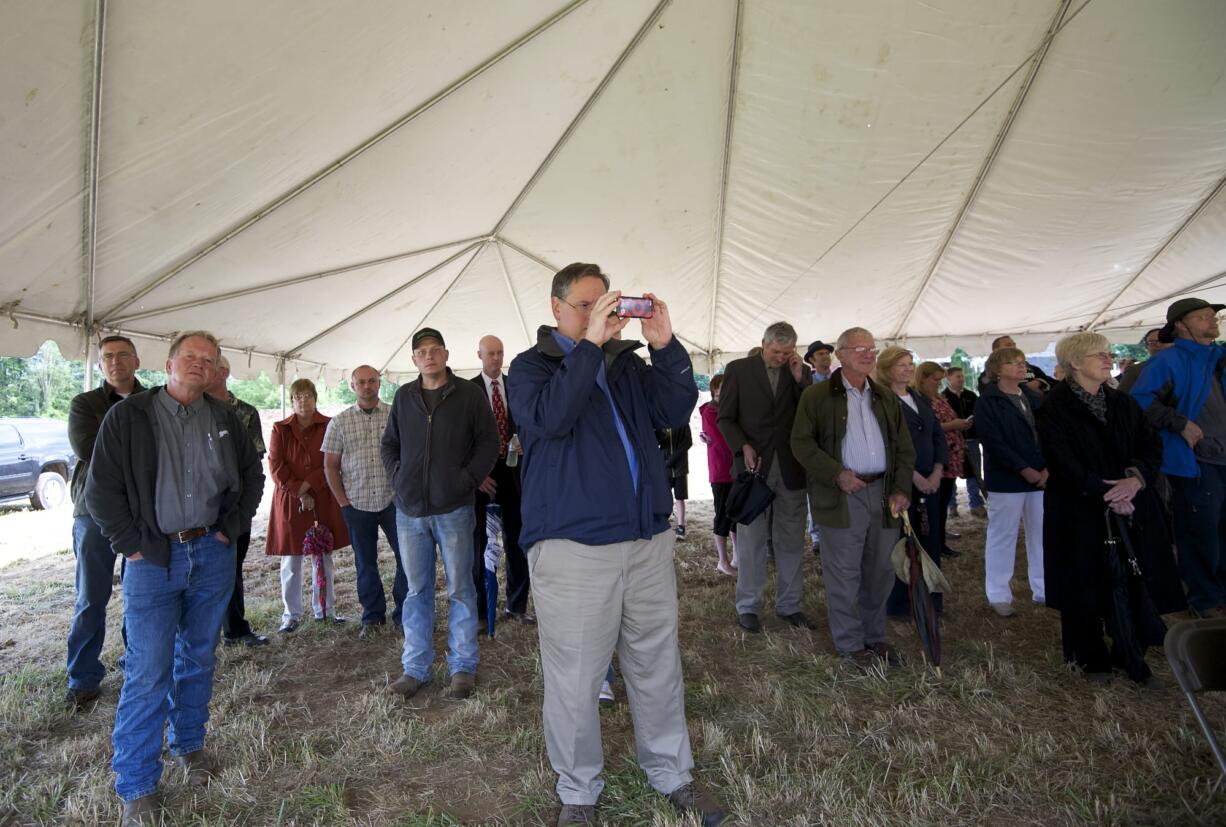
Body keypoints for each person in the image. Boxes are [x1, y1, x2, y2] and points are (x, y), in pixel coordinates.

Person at [508, 262, 725, 826]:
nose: (600, 313)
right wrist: (589, 349)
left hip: (646, 537)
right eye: (585, 305)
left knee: (656, 663)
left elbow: (674, 409)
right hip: (573, 546)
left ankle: (672, 774)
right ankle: (579, 791)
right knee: (577, 676)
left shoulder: (625, 364)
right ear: (556, 310)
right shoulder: (531, 367)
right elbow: (551, 419)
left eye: (607, 303)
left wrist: (666, 346)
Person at [84, 331, 264, 825]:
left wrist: (230, 529)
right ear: (168, 364)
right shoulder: (130, 416)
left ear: (216, 370)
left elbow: (253, 478)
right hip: (153, 560)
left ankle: (189, 745)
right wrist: (132, 544)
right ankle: (137, 785)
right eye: (191, 357)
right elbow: (102, 490)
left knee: (199, 657)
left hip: (211, 552)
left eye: (209, 360)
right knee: (148, 669)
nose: (199, 365)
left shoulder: (227, 417)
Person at [1037, 332, 1185, 687]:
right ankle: (1088, 657)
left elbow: (1150, 447)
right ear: (1075, 363)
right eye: (1099, 355)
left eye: (1108, 353)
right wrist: (1109, 491)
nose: (1108, 359)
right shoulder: (1053, 408)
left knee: (1132, 577)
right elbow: (1062, 462)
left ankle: (1130, 649)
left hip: (1131, 504)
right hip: (1079, 508)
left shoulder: (1123, 404)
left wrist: (1133, 481)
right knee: (1083, 580)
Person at [381, 327, 499, 700]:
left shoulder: (468, 395)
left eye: (435, 350)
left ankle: (463, 666)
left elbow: (489, 443)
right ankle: (415, 668)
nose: (428, 356)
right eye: (421, 352)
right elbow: (389, 445)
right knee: (416, 592)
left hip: (454, 509)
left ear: (446, 355)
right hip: (410, 510)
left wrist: (466, 481)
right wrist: (399, 479)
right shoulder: (403, 397)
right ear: (414, 359)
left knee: (461, 588)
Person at [790, 327, 914, 668]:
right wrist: (837, 474)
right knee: (843, 573)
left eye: (872, 349)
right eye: (859, 348)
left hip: (884, 494)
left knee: (880, 571)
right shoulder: (816, 397)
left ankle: (874, 637)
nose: (868, 354)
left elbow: (904, 448)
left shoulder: (885, 396)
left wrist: (902, 488)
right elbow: (801, 444)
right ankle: (849, 644)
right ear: (840, 355)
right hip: (842, 495)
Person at [1131, 298, 1226, 617]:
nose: (1212, 321)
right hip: (1196, 460)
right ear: (1181, 325)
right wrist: (1180, 423)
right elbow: (1140, 402)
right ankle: (1205, 599)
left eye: (1213, 316)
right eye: (1203, 317)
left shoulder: (1221, 356)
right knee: (1200, 532)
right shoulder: (1166, 362)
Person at [64, 336, 145, 709]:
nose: (115, 362)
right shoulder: (86, 404)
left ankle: (138, 663)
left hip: (142, 510)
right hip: (93, 513)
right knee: (91, 597)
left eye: (122, 355)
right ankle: (83, 678)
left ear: (137, 361)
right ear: (100, 366)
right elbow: (87, 448)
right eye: (108, 357)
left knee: (141, 594)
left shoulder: (154, 401)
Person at [717, 322, 814, 633]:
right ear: (763, 344)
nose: (780, 358)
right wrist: (741, 444)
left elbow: (811, 416)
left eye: (787, 353)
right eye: (775, 352)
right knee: (751, 543)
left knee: (790, 541)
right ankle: (748, 607)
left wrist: (800, 380)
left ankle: (790, 606)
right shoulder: (738, 370)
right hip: (753, 472)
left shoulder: (800, 373)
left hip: (790, 469)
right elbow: (726, 418)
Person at [322, 365, 408, 639]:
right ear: (352, 386)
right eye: (362, 382)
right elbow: (330, 466)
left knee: (406, 558)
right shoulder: (340, 421)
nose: (368, 386)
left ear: (379, 383)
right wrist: (343, 502)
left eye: (372, 381)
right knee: (365, 562)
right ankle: (372, 616)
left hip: (394, 500)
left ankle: (404, 613)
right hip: (357, 502)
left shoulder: (397, 415)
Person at [266, 378, 351, 631]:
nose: (303, 401)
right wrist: (300, 492)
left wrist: (309, 485)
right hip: (291, 503)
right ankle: (290, 615)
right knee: (291, 562)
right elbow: (276, 466)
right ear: (292, 401)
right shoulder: (280, 429)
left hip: (322, 499)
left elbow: (333, 462)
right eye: (298, 397)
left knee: (323, 558)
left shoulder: (329, 425)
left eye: (308, 396)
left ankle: (325, 610)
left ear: (315, 398)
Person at [468, 335, 534, 628]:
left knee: (518, 539)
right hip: (480, 477)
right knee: (479, 543)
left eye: (500, 352)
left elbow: (530, 422)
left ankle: (516, 605)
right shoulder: (467, 391)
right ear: (479, 355)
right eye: (490, 353)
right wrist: (476, 475)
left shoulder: (515, 386)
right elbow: (459, 439)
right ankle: (482, 611)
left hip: (513, 473)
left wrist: (524, 442)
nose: (495, 358)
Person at [877, 349, 948, 618]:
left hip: (931, 480)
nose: (908, 369)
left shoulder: (920, 398)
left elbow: (937, 435)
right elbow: (888, 444)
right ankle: (901, 604)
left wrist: (938, 470)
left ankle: (931, 600)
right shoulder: (882, 401)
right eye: (901, 365)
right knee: (902, 544)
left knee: (930, 540)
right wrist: (914, 476)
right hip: (902, 483)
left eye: (910, 364)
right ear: (886, 369)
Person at [976, 346, 1047, 617]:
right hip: (1007, 479)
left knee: (1041, 534)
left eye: (1022, 362)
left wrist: (1045, 468)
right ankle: (998, 594)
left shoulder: (1032, 396)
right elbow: (993, 441)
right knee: (1002, 536)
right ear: (997, 369)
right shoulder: (988, 401)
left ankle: (1042, 589)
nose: (1020, 366)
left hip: (1039, 477)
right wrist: (1023, 468)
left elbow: (1048, 433)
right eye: (1013, 363)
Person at [206, 354, 269, 648]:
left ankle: (235, 629)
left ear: (225, 372)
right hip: (196, 507)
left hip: (234, 505)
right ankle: (206, 634)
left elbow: (254, 460)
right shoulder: (191, 406)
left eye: (211, 367)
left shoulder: (245, 412)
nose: (205, 372)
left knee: (232, 567)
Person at [916, 362, 970, 558]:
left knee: (943, 502)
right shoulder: (920, 399)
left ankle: (940, 541)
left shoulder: (937, 397)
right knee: (935, 505)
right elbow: (932, 428)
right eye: (935, 379)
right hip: (937, 459)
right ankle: (935, 544)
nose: (939, 383)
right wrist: (954, 425)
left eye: (940, 379)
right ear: (922, 378)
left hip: (950, 456)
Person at [699, 374, 736, 575]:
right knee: (722, 514)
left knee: (735, 514)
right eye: (719, 391)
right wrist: (737, 454)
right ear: (713, 392)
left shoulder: (732, 409)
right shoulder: (709, 412)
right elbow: (720, 443)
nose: (723, 394)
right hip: (721, 471)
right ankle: (723, 560)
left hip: (735, 470)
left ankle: (737, 556)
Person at [942, 366, 985, 518]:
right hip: (952, 443)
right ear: (949, 378)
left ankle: (976, 504)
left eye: (962, 376)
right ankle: (951, 506)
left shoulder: (971, 395)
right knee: (951, 474)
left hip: (971, 439)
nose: (961, 379)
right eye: (957, 376)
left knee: (974, 472)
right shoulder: (943, 398)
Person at [978, 335, 1053, 395]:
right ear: (996, 350)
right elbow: (990, 393)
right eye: (1008, 345)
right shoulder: (989, 373)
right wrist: (1026, 388)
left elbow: (1049, 382)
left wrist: (1039, 382)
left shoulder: (1028, 367)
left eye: (1014, 345)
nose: (1013, 347)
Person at [657, 424, 692, 536]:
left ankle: (681, 527)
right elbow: (656, 441)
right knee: (665, 496)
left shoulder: (683, 422)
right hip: (664, 466)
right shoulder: (660, 423)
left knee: (680, 497)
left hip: (680, 467)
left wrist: (673, 459)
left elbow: (688, 442)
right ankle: (664, 524)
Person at [1116, 327, 1172, 394]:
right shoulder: (1135, 372)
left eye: (1163, 341)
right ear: (1147, 347)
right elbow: (1120, 399)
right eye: (1152, 342)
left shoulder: (1185, 367)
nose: (1158, 345)